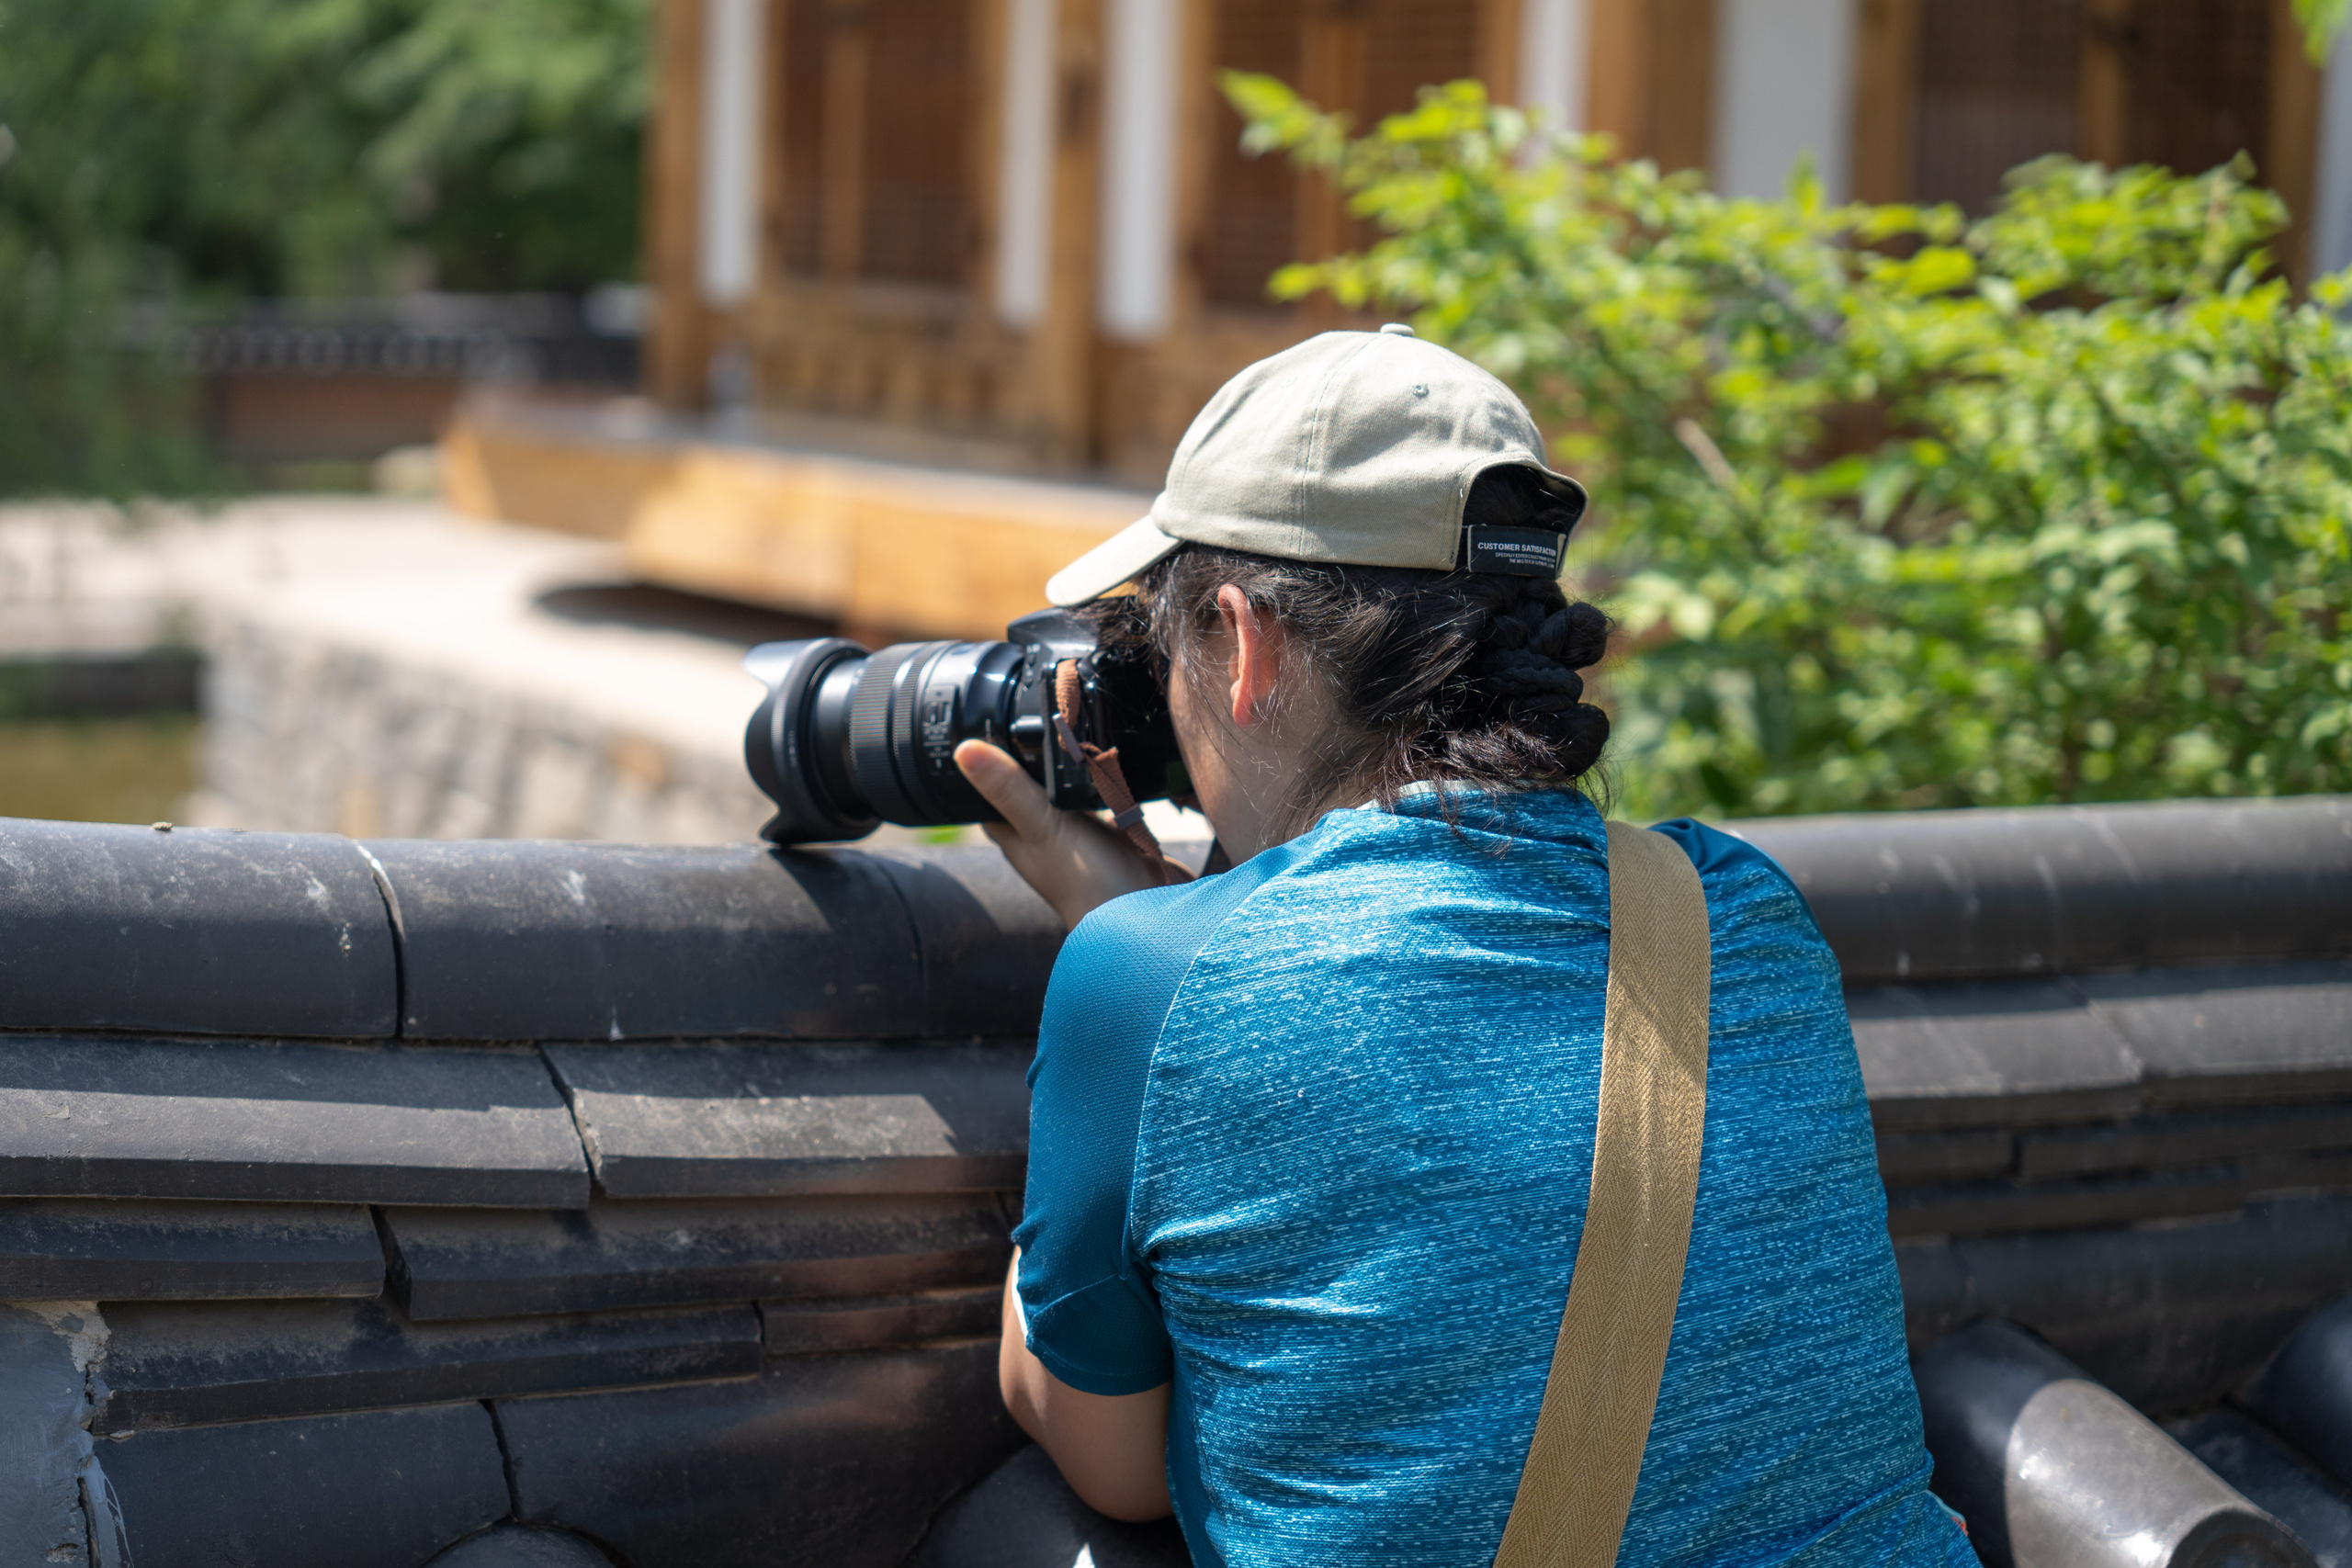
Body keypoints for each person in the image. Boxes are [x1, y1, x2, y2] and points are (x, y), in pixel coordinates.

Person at [947, 325, 1974, 1568]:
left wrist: (1130, 947)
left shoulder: (1148, 980)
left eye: (1166, 650)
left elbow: (1109, 1463)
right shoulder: (1737, 908)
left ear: (1243, 643)